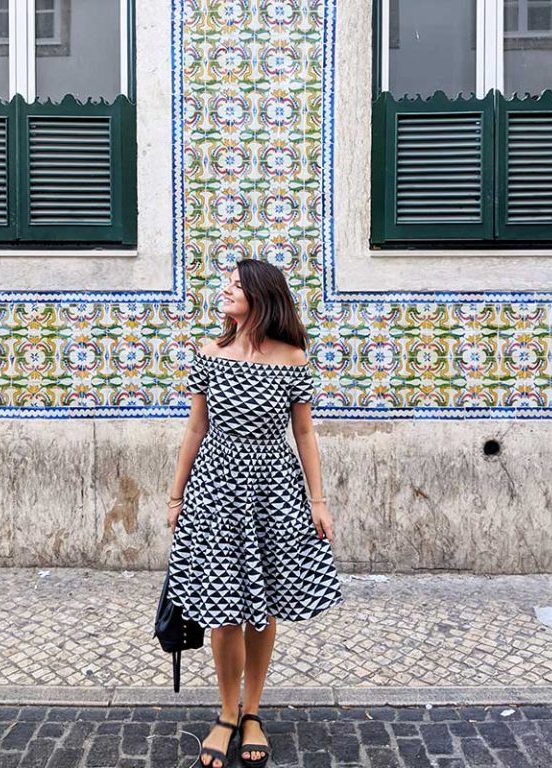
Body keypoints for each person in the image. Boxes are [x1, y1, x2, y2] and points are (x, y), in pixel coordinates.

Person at [165, 258, 345, 768]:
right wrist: (177, 496)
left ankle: (253, 712)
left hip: (274, 491)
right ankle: (225, 713)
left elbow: (305, 434)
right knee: (223, 607)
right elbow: (195, 429)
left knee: (262, 608)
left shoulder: (292, 359)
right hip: (215, 490)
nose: (225, 291)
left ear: (260, 298)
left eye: (236, 286)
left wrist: (318, 501)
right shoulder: (209, 353)